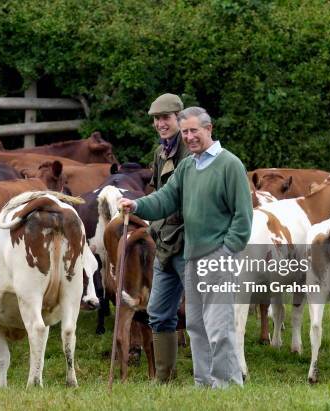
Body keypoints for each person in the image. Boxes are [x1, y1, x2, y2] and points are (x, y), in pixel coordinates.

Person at [119, 106, 253, 388]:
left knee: (219, 326)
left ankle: (227, 386)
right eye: (186, 132)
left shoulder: (230, 165)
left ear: (209, 129)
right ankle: (204, 384)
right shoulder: (188, 166)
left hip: (218, 256)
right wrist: (137, 205)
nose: (190, 137)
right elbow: (166, 198)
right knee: (195, 325)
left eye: (195, 131)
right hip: (192, 256)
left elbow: (243, 217)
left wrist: (226, 251)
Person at [145, 93, 190, 383]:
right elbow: (156, 191)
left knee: (200, 316)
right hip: (164, 244)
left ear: (179, 118)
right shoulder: (160, 152)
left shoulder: (191, 149)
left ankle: (210, 379)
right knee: (159, 312)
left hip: (189, 243)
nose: (161, 124)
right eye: (157, 119)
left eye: (166, 118)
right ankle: (165, 380)